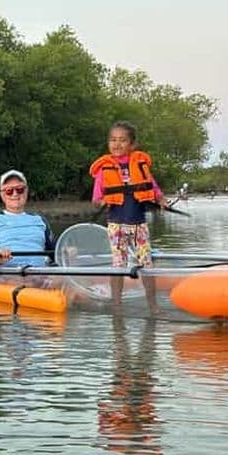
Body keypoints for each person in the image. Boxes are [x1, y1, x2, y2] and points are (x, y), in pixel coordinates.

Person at [89, 121, 167, 313]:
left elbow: (153, 187)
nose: (117, 144)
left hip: (138, 224)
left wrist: (161, 199)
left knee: (146, 263)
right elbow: (96, 198)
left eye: (122, 140)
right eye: (113, 140)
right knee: (118, 264)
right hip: (116, 225)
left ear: (132, 145)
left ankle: (153, 305)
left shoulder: (140, 164)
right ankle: (117, 305)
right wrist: (101, 203)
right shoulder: (104, 168)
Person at [0, 169, 56, 267]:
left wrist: (67, 252)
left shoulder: (40, 220)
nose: (15, 194)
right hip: (5, 278)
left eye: (20, 190)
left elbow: (55, 253)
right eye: (9, 191)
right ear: (2, 194)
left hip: (40, 277)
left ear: (26, 191)